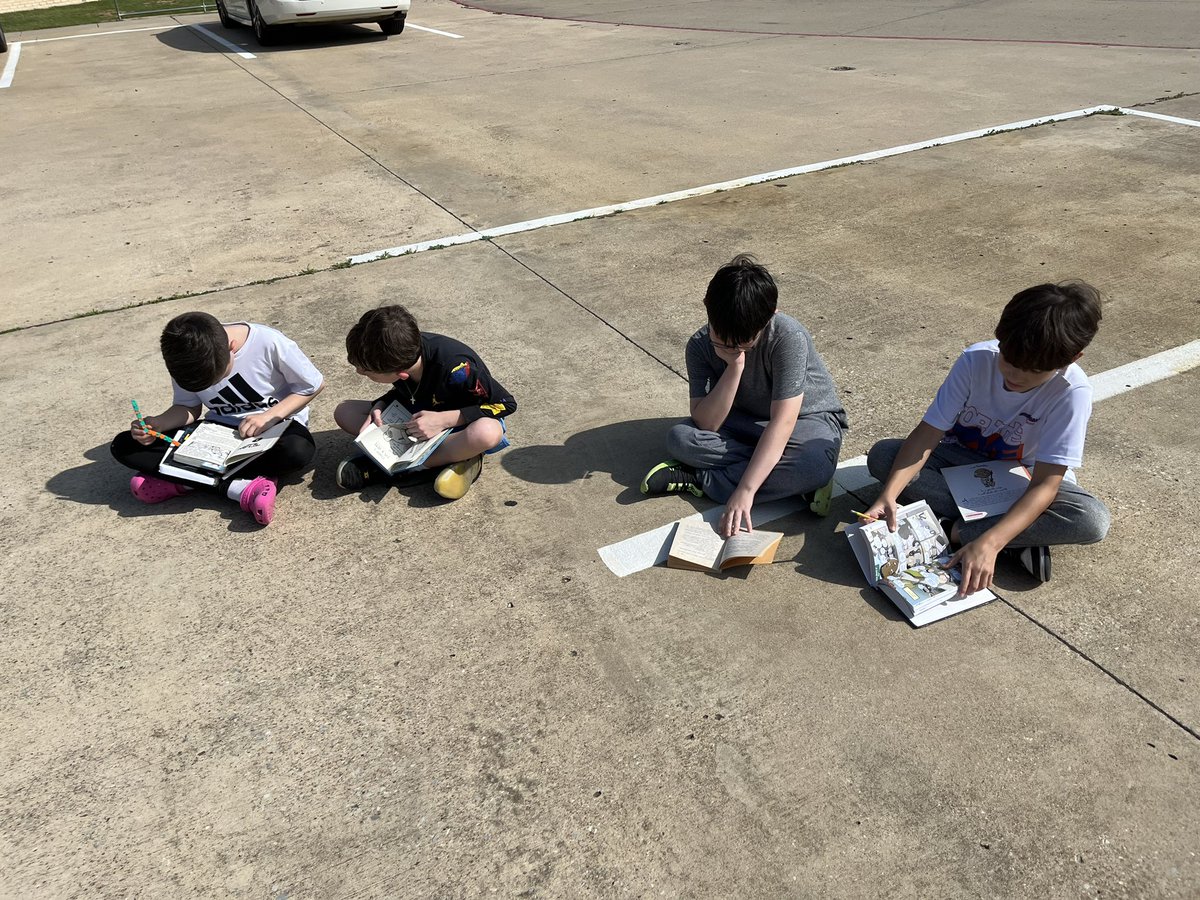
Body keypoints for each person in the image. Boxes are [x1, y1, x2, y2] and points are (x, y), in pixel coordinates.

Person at [862, 281, 1110, 593]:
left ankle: (957, 532)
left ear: (1073, 358)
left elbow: (1047, 484)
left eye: (1032, 370)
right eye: (1007, 359)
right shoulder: (976, 360)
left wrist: (989, 543)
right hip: (957, 463)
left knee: (1090, 519)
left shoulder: (1071, 392)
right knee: (883, 457)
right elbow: (927, 434)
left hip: (1022, 480)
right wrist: (890, 495)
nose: (1015, 375)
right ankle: (1021, 539)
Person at [640, 254, 848, 537]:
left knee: (814, 464)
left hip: (805, 421)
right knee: (680, 438)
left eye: (744, 344)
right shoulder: (699, 346)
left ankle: (700, 479)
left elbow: (783, 422)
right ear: (706, 308)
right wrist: (735, 365)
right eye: (721, 340)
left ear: (771, 313)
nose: (730, 346)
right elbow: (707, 423)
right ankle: (785, 479)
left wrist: (746, 490)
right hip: (742, 422)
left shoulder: (788, 337)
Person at [110, 312, 324, 526]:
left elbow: (312, 385)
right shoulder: (185, 356)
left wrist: (269, 416)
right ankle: (237, 488)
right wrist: (159, 424)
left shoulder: (269, 342)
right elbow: (188, 407)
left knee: (298, 450)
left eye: (219, 376)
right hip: (214, 433)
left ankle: (184, 480)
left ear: (232, 347)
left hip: (273, 428)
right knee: (125, 446)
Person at [334, 305, 516, 500]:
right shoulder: (400, 350)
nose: (359, 372)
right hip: (417, 418)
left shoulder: (457, 368)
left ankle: (405, 468)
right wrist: (381, 404)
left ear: (400, 373)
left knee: (487, 433)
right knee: (345, 412)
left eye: (366, 371)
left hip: (461, 424)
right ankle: (455, 460)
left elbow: (506, 403)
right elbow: (405, 391)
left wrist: (445, 420)